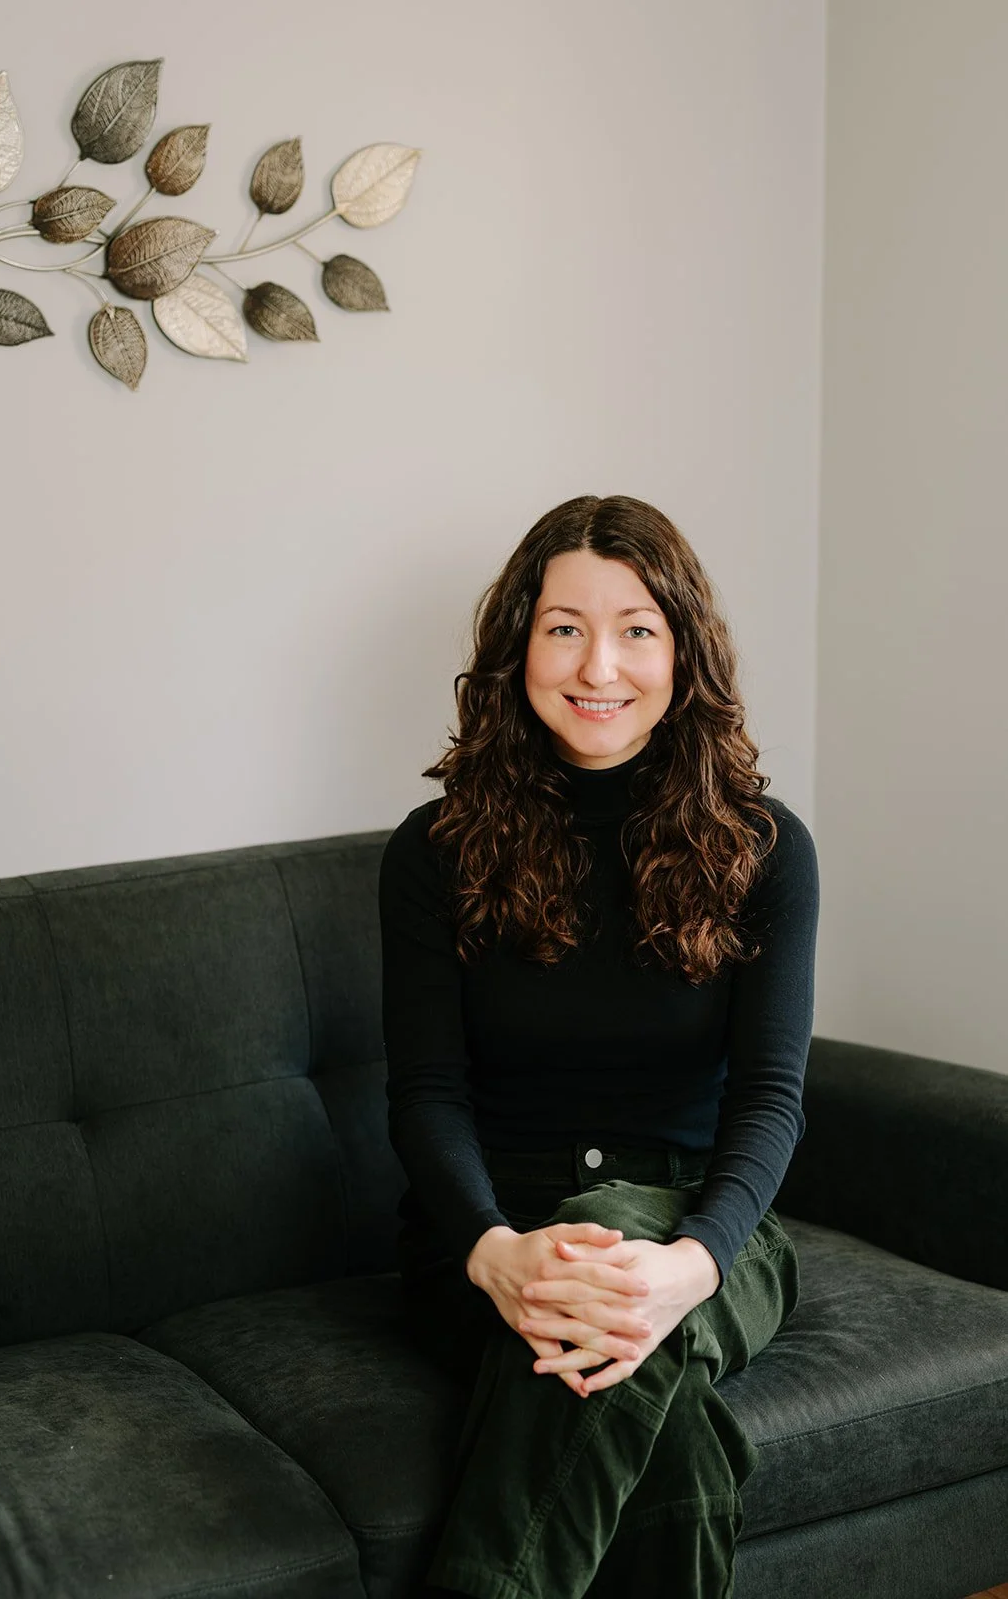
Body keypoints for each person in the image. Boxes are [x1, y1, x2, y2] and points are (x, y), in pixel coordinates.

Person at [377, 494, 819, 1599]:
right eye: (563, 626)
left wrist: (689, 1261)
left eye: (635, 628)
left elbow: (768, 1097)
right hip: (494, 1231)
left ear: (681, 651)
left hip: (711, 1223)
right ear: (518, 646)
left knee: (613, 1281)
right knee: (678, 1446)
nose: (598, 664)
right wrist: (488, 1251)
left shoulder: (764, 848)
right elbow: (427, 1093)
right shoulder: (432, 851)